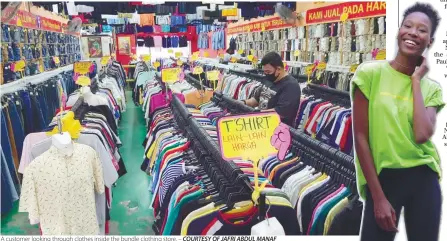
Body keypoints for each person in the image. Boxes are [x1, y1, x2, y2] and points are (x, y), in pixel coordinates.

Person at [351, 3, 444, 241]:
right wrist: (378, 197)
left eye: (422, 30)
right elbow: (361, 137)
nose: (414, 32)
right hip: (383, 179)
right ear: (398, 31)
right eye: (408, 25)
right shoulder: (369, 74)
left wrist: (415, 81)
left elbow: (422, 135)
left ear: (429, 42)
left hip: (423, 179)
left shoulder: (431, 88)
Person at [242, 52, 301, 126]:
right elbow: (256, 100)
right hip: (262, 126)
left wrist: (256, 113)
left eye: (268, 72)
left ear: (278, 69)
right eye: (265, 72)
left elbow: (280, 113)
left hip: (278, 132)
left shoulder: (291, 86)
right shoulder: (269, 80)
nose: (266, 74)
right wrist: (243, 103)